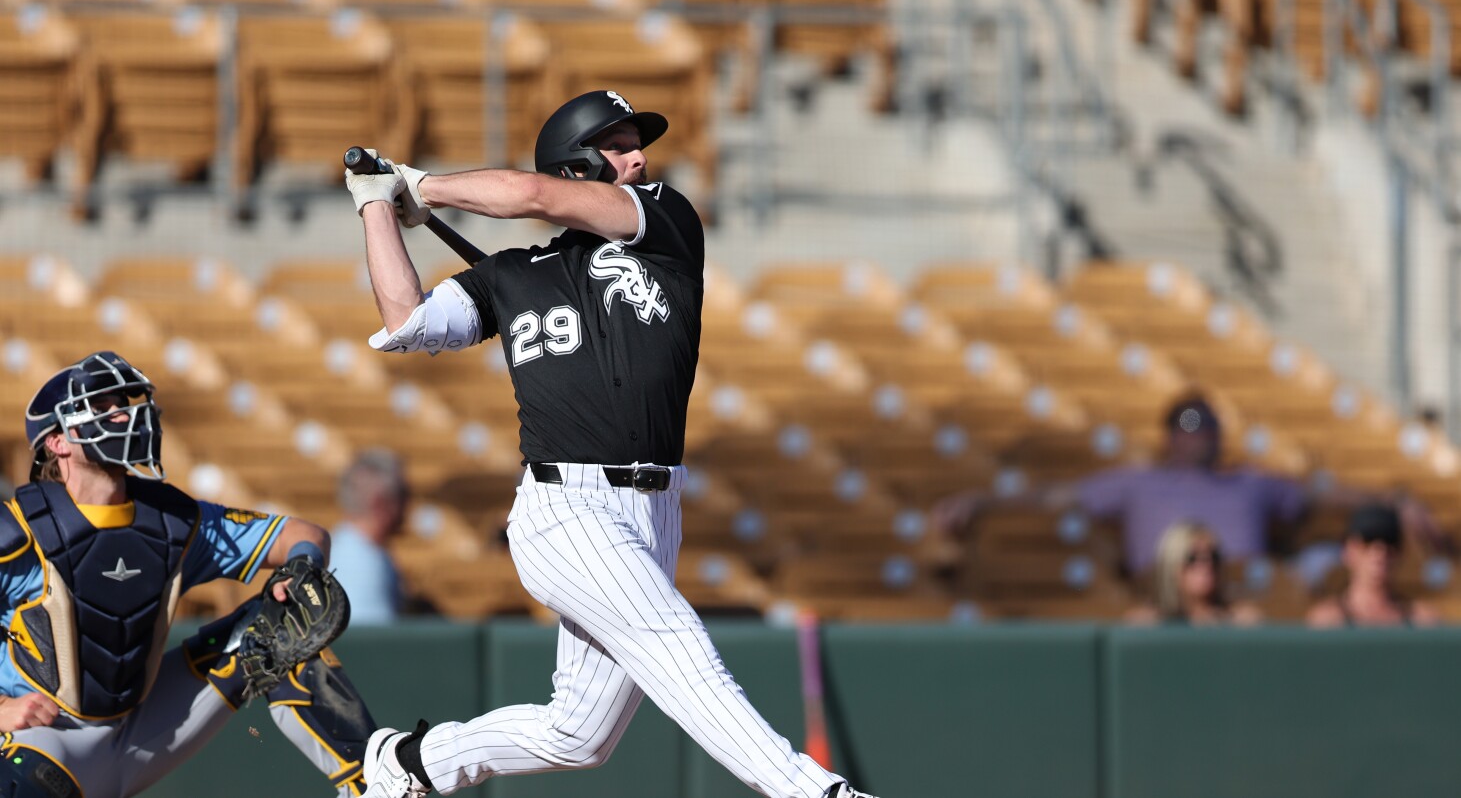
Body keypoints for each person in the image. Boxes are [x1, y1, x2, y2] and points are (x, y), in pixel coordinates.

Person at [343, 90, 876, 798]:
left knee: (579, 735)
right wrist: (379, 203)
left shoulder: (667, 224)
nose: (639, 157)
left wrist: (423, 185)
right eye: (618, 146)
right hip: (565, 510)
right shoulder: (511, 278)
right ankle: (814, 792)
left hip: (654, 511)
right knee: (676, 646)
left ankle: (412, 765)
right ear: (576, 165)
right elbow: (406, 319)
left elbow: (533, 196)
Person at [0, 351, 377, 797]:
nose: (123, 416)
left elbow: (304, 534)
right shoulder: (20, 528)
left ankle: (378, 781)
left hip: (146, 727)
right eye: (102, 409)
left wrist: (301, 569)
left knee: (287, 620)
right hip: (42, 738)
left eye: (125, 404)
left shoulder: (172, 521)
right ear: (57, 442)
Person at [934, 394, 1446, 575]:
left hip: (1248, 595)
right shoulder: (1136, 481)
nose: (1200, 436)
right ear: (1169, 436)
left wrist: (1393, 502)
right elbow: (1053, 496)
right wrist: (981, 500)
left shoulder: (1250, 481)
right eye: (1188, 426)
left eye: (1208, 425)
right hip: (1166, 592)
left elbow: (1320, 495)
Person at [1307, 505, 1441, 627]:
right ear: (1347, 551)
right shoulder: (1328, 621)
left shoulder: (1421, 620)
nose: (1379, 554)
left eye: (1390, 544)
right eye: (1367, 542)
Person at [1125, 521, 1262, 626]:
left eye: (1213, 556)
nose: (1207, 564)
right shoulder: (1145, 624)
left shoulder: (1240, 622)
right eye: (1193, 557)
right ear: (1171, 565)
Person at [332, 448, 409, 625]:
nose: (408, 504)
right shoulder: (360, 564)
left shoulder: (355, 546)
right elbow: (373, 647)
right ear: (379, 502)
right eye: (403, 494)